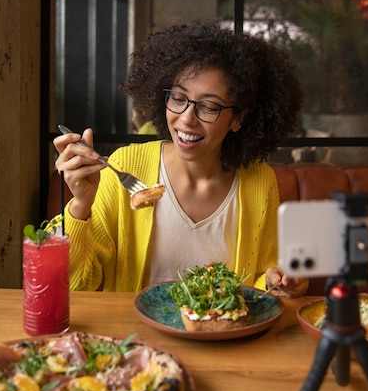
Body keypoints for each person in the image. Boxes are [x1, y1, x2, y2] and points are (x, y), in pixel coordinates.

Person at [54, 21, 309, 297]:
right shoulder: (125, 167)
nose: (186, 118)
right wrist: (80, 205)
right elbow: (77, 284)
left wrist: (277, 282)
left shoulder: (259, 181)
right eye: (178, 98)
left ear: (238, 119)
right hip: (138, 338)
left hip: (222, 336)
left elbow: (261, 279)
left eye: (208, 106)